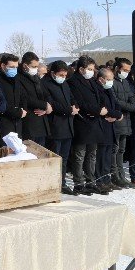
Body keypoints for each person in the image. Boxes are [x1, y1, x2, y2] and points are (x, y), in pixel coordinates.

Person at [68, 57, 111, 195]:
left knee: (92, 154)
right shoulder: (73, 82)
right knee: (80, 154)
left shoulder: (92, 81)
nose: (92, 72)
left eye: (93, 69)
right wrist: (96, 111)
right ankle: (79, 183)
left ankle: (91, 181)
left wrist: (102, 108)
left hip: (95, 122)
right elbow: (79, 102)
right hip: (83, 121)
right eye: (89, 69)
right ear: (81, 69)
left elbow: (101, 96)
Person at [42, 60, 78, 193]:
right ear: (53, 73)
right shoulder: (45, 84)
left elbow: (72, 98)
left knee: (64, 158)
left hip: (67, 126)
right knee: (55, 158)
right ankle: (53, 184)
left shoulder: (65, 84)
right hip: (55, 126)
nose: (63, 77)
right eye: (61, 75)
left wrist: (75, 106)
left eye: (65, 75)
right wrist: (69, 110)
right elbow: (52, 104)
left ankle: (62, 183)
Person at [93, 67, 123, 193]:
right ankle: (100, 180)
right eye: (109, 79)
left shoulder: (109, 90)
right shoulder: (97, 89)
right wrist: (113, 114)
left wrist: (116, 115)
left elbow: (116, 106)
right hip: (101, 125)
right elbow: (102, 108)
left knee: (107, 155)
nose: (111, 82)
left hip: (110, 126)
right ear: (101, 79)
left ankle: (106, 179)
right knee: (101, 155)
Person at [110, 58, 135, 188]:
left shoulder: (125, 82)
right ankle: (115, 175)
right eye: (124, 70)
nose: (126, 72)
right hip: (116, 121)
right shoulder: (112, 82)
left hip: (126, 121)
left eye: (128, 70)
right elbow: (115, 102)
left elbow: (133, 103)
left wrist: (127, 106)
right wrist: (127, 106)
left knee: (121, 150)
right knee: (114, 150)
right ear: (117, 68)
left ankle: (121, 175)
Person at [17, 52, 51, 147]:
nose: (36, 69)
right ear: (25, 65)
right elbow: (25, 98)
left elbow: (46, 94)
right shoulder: (18, 78)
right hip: (30, 122)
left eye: (37, 66)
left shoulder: (36, 78)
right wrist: (44, 105)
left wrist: (47, 107)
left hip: (41, 122)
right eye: (33, 66)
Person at [0, 53, 27, 139]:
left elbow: (23, 96)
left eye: (16, 67)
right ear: (3, 66)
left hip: (18, 122)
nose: (14, 69)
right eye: (12, 67)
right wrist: (16, 112)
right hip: (3, 123)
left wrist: (23, 110)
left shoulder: (17, 79)